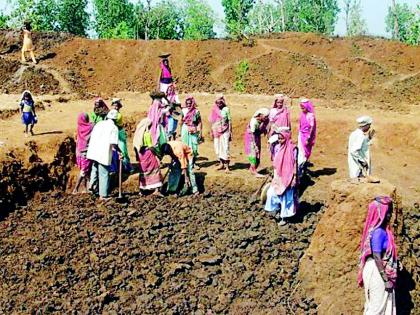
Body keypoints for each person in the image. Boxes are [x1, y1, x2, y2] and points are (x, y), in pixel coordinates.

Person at [358, 196, 397, 315]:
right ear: (381, 213)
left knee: (380, 305)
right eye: (388, 212)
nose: (390, 215)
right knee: (376, 308)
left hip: (377, 269)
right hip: (377, 271)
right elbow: (376, 255)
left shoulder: (382, 231)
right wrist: (385, 279)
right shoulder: (378, 232)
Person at [264, 130, 298, 226]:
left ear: (286, 138)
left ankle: (284, 217)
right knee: (272, 193)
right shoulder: (278, 147)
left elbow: (295, 164)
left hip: (288, 177)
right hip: (278, 176)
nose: (279, 140)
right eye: (278, 138)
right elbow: (275, 161)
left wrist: (294, 177)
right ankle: (277, 210)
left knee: (285, 197)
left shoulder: (293, 149)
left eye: (282, 138)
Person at [86, 109, 121, 200]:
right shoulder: (114, 128)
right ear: (116, 120)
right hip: (103, 153)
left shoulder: (99, 124)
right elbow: (114, 143)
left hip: (94, 151)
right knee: (104, 174)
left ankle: (91, 188)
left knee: (94, 170)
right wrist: (120, 152)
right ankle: (103, 195)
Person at [133, 118, 163, 196]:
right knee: (155, 169)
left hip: (141, 155)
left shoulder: (137, 135)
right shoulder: (146, 134)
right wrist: (157, 154)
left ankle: (142, 189)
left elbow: (136, 148)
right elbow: (150, 147)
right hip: (148, 154)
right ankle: (156, 189)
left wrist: (137, 157)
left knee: (143, 171)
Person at [209, 96, 232, 172]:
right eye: (217, 103)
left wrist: (230, 132)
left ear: (223, 102)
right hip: (216, 131)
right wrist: (211, 131)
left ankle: (227, 167)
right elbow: (212, 121)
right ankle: (221, 163)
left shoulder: (226, 109)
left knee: (225, 148)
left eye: (220, 103)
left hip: (225, 131)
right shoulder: (214, 110)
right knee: (218, 148)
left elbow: (229, 121)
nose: (219, 104)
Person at [244, 108, 270, 177]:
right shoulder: (254, 121)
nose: (266, 118)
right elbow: (252, 135)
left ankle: (252, 169)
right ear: (260, 115)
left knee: (258, 155)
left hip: (257, 137)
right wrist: (255, 146)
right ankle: (254, 171)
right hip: (251, 138)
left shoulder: (263, 121)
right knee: (253, 154)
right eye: (265, 116)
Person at [109, 98, 132, 173]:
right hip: (115, 132)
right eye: (114, 106)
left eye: (116, 106)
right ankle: (120, 166)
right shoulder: (113, 113)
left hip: (119, 133)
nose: (115, 107)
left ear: (119, 107)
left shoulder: (117, 115)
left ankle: (126, 166)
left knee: (122, 150)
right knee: (114, 150)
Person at [73, 113, 94, 194]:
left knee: (85, 170)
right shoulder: (90, 127)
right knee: (84, 171)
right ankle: (76, 189)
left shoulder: (79, 127)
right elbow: (94, 124)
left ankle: (85, 188)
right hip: (86, 152)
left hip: (78, 152)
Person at [181, 96, 202, 169]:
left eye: (190, 103)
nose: (188, 105)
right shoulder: (183, 111)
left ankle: (194, 163)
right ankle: (187, 162)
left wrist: (200, 132)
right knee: (185, 146)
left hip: (193, 129)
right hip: (185, 128)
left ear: (192, 103)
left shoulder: (196, 111)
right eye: (187, 104)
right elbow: (181, 120)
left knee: (194, 147)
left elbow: (199, 122)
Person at [297, 98, 316, 176]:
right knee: (301, 152)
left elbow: (312, 127)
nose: (302, 109)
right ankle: (301, 170)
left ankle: (303, 170)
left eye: (303, 108)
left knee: (305, 153)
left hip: (306, 136)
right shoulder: (302, 114)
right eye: (301, 108)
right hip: (301, 135)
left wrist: (308, 137)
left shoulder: (310, 116)